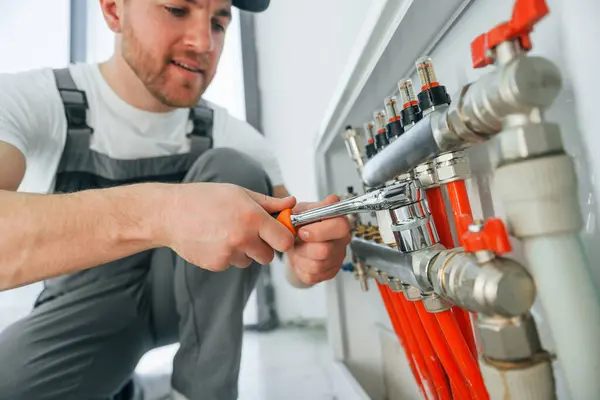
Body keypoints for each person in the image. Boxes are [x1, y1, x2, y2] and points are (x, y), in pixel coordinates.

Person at [0, 0, 351, 399]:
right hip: (84, 313)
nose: (204, 42)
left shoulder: (240, 142)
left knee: (233, 169)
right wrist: (165, 212)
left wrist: (309, 261)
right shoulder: (31, 102)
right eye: (177, 9)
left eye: (219, 23)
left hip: (190, 310)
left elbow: (291, 258)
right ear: (114, 10)